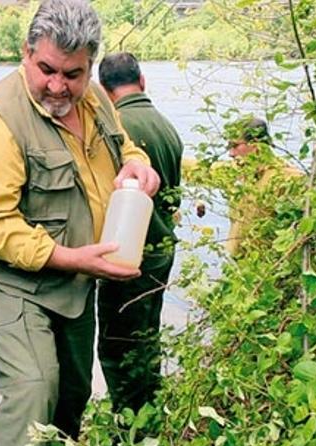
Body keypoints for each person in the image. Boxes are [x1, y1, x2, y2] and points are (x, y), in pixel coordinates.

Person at [0, 1, 160, 446]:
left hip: (71, 283)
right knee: (33, 388)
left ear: (90, 66)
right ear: (26, 53)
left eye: (73, 74)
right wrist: (72, 258)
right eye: (45, 69)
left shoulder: (95, 100)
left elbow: (125, 146)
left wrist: (137, 164)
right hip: (6, 282)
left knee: (69, 397)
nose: (57, 86)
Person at [96, 52, 183, 414]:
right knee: (147, 336)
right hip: (162, 250)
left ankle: (129, 423)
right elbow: (173, 196)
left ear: (103, 89)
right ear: (142, 80)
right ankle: (152, 409)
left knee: (118, 343)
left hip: (129, 254)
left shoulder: (117, 129)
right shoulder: (167, 127)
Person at [223, 116, 303, 255]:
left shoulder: (288, 179)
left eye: (235, 146)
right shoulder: (242, 172)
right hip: (238, 267)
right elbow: (202, 170)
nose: (231, 154)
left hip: (269, 268)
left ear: (257, 145)